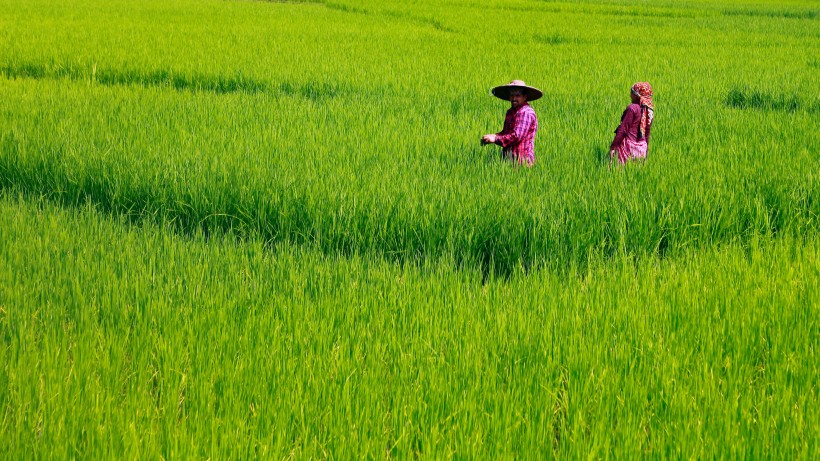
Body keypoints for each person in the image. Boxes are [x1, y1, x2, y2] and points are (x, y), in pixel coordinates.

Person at [481, 80, 541, 166]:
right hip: (509, 160)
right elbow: (506, 133)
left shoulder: (525, 112)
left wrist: (496, 139)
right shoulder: (510, 112)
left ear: (525, 97)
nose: (514, 98)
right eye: (512, 95)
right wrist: (494, 136)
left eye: (517, 95)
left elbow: (517, 136)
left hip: (522, 162)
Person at [610, 82, 655, 164]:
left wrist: (613, 146)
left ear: (637, 95)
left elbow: (623, 130)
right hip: (641, 149)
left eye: (632, 92)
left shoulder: (632, 108)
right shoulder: (649, 111)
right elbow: (647, 133)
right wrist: (646, 152)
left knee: (618, 173)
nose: (630, 95)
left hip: (628, 148)